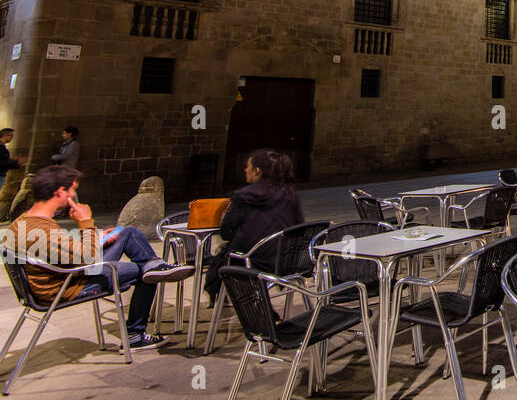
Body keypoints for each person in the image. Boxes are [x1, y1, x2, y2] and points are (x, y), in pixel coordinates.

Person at [6, 165, 191, 349]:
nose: (74, 195)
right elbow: (88, 258)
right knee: (144, 272)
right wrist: (85, 222)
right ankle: (135, 334)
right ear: (61, 191)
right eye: (72, 189)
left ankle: (155, 264)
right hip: (69, 284)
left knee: (126, 233)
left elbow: (61, 251)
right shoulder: (40, 229)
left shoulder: (24, 221)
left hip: (67, 273)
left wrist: (97, 238)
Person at [204, 148, 305, 302]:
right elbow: (299, 226)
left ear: (257, 171)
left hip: (252, 261)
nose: (245, 170)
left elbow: (226, 232)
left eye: (248, 167)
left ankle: (231, 301)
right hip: (287, 261)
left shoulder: (243, 196)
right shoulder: (290, 194)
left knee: (224, 252)